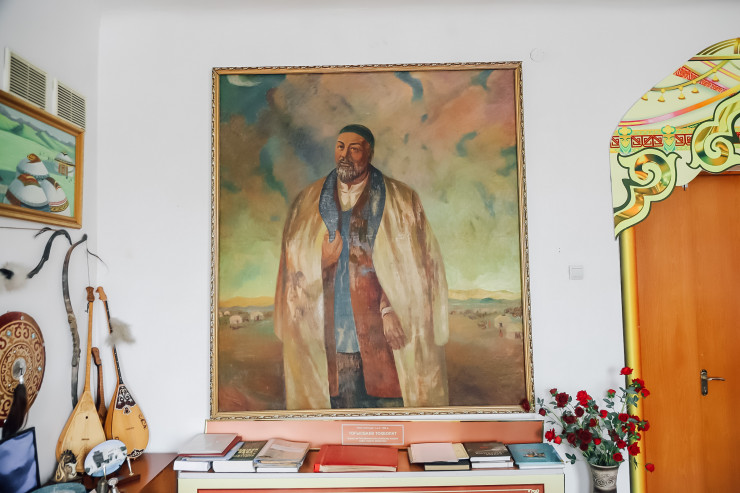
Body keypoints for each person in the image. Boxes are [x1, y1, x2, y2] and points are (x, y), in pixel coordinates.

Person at [274, 124, 449, 410]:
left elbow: (415, 267)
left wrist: (389, 308)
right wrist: (321, 257)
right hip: (329, 340)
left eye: (354, 149)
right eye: (340, 147)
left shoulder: (401, 201)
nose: (345, 155)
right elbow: (293, 260)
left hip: (383, 341)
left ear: (369, 153)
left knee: (388, 415)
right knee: (335, 416)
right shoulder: (306, 203)